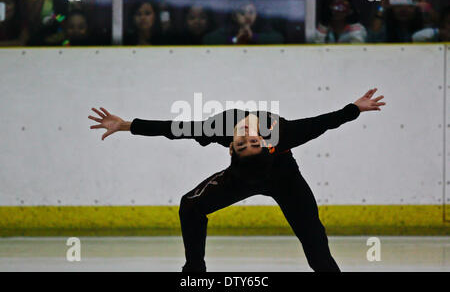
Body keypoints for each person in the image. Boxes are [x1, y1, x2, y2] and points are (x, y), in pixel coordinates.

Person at [88, 88, 386, 272]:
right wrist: (354, 109)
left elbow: (173, 128)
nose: (244, 136)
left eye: (244, 143)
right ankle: (194, 271)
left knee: (314, 240)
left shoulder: (222, 130)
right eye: (246, 142)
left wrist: (126, 126)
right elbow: (325, 122)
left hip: (284, 177)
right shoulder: (277, 134)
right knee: (190, 206)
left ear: (233, 149)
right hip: (243, 176)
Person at [203, 0, 283, 45]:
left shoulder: (261, 26)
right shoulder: (229, 27)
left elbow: (279, 39)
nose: (248, 16)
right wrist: (234, 39)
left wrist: (253, 37)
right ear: (234, 16)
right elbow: (208, 39)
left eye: (251, 12)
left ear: (256, 14)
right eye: (242, 13)